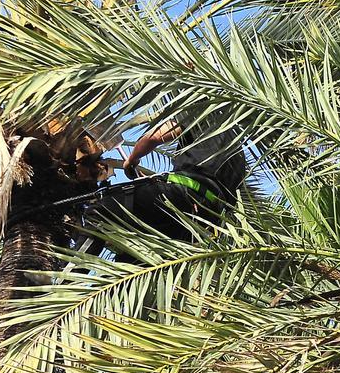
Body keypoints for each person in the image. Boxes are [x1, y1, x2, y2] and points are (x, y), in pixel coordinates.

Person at [85, 104, 248, 259]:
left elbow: (155, 136)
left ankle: (69, 280)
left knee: (101, 212)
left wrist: (132, 159)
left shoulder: (201, 112)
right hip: (200, 224)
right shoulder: (238, 153)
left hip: (182, 195)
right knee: (134, 259)